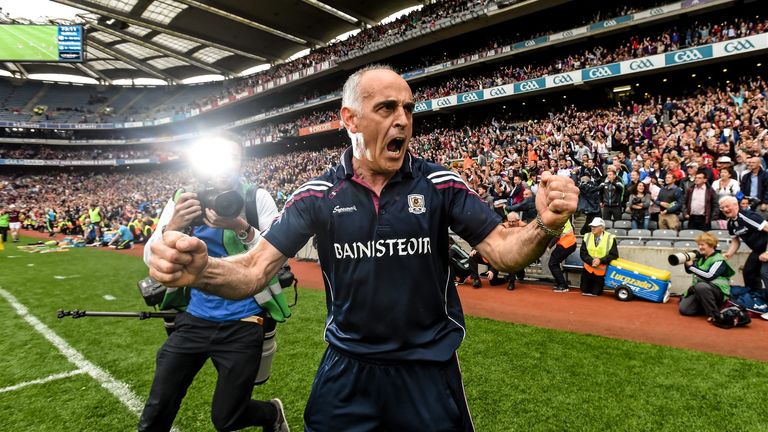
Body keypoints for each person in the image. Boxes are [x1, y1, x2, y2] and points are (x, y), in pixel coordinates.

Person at [147, 65, 579, 431]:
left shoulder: (441, 184)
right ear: (350, 120)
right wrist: (201, 272)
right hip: (347, 368)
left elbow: (505, 251)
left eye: (408, 109)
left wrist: (544, 224)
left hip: (427, 370)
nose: (403, 120)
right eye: (387, 108)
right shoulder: (316, 195)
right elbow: (253, 271)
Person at [139, 134, 289, 432]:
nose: (222, 168)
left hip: (244, 320)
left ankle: (271, 414)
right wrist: (175, 225)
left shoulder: (255, 198)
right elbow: (150, 257)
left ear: (241, 163)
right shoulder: (183, 199)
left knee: (227, 418)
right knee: (158, 406)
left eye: (230, 158)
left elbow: (278, 258)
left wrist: (242, 227)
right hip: (194, 318)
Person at [679, 232, 735, 320]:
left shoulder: (719, 259)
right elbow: (690, 271)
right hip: (703, 291)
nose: (700, 247)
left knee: (701, 286)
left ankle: (714, 315)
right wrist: (687, 263)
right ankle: (705, 306)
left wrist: (691, 266)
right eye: (699, 245)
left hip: (718, 293)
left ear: (711, 245)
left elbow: (709, 276)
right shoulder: (701, 258)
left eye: (702, 245)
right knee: (685, 309)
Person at [721, 196, 768, 294]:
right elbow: (735, 241)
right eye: (722, 208)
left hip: (766, 247)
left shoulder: (748, 216)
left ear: (736, 205)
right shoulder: (730, 223)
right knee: (748, 273)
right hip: (757, 250)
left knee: (765, 273)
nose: (725, 209)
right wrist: (728, 254)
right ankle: (756, 298)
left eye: (727, 206)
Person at [579, 217, 618, 296]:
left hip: (600, 271)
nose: (592, 228)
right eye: (592, 226)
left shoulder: (610, 238)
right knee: (584, 291)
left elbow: (614, 255)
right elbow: (583, 253)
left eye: (595, 226)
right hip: (588, 269)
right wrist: (591, 261)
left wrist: (600, 260)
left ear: (602, 228)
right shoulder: (587, 236)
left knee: (596, 293)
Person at [549, 216, 576, 293]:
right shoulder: (563, 216)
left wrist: (549, 246)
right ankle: (560, 283)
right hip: (568, 243)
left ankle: (563, 285)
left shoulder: (559, 218)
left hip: (566, 244)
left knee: (552, 263)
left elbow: (557, 235)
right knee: (554, 263)